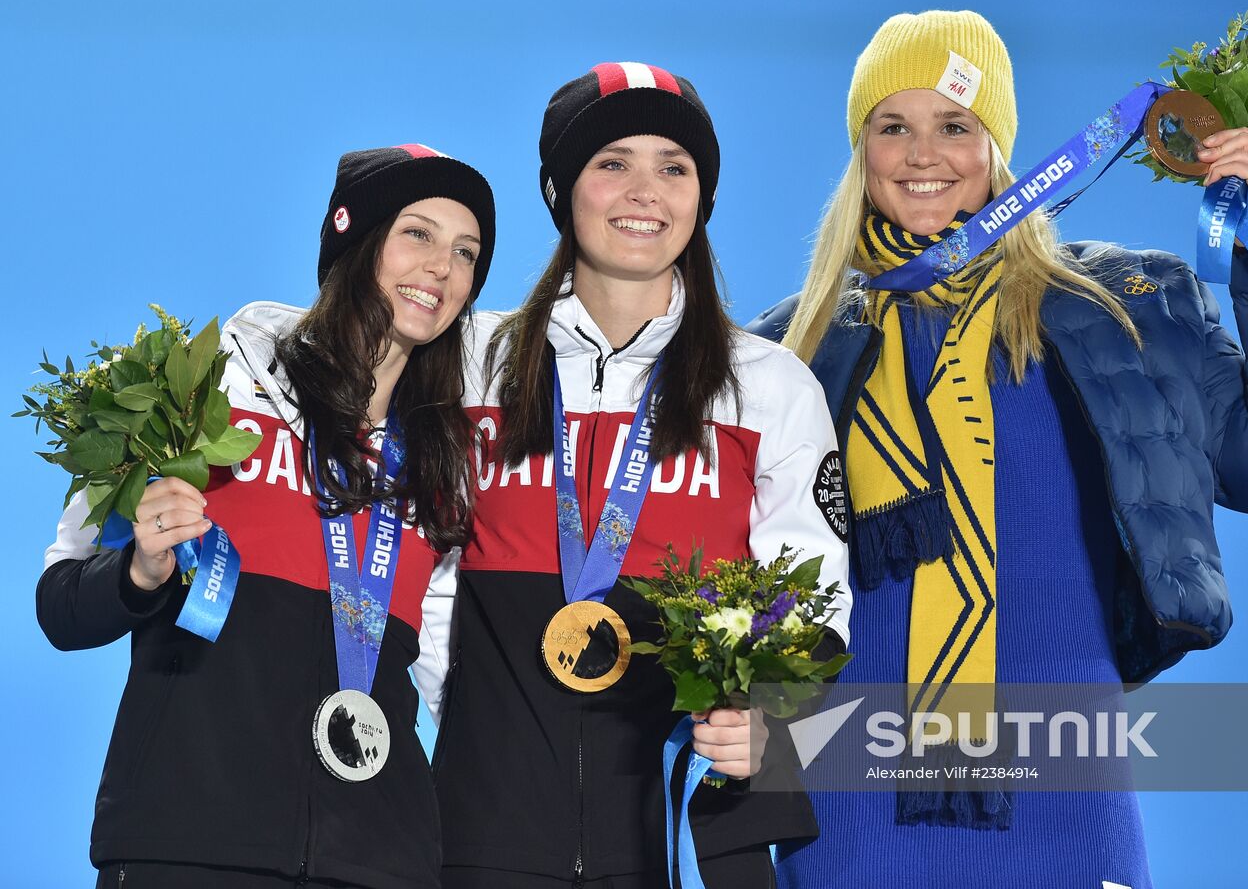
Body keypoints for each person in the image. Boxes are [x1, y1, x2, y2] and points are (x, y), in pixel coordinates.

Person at [747, 11, 1248, 888]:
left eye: (955, 126)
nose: (924, 155)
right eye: (894, 127)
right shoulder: (787, 352)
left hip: (1069, 796)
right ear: (862, 152)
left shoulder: (1121, 311)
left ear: (999, 148)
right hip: (845, 806)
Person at [421, 62, 852, 888]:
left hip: (694, 833)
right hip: (489, 834)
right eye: (613, 162)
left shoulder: (769, 387)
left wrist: (767, 722)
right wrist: (488, 727)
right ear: (561, 190)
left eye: (674, 167)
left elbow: (817, 603)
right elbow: (428, 572)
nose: (644, 191)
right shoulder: (472, 362)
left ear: (703, 197)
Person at [37, 144, 496, 889]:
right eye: (417, 233)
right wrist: (140, 571)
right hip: (187, 844)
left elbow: (456, 684)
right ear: (353, 239)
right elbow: (60, 603)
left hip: (378, 861)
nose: (443, 267)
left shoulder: (443, 467)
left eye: (466, 251)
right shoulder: (205, 392)